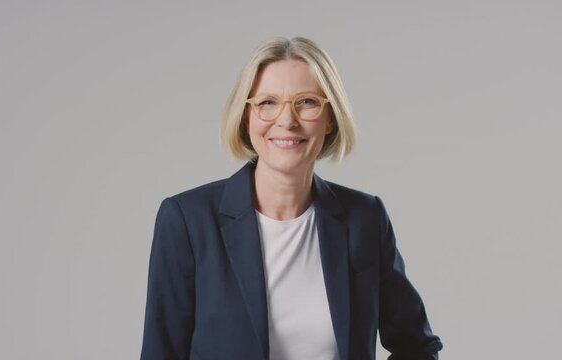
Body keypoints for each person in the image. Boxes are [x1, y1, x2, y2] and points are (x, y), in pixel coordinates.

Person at [140, 36, 443, 360]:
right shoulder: (189, 221)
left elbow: (416, 346)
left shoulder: (365, 219)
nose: (286, 120)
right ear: (246, 116)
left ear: (330, 118)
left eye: (307, 102)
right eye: (267, 102)